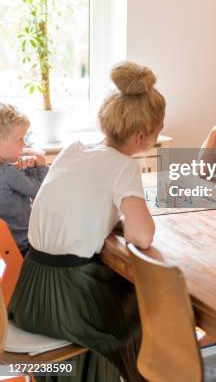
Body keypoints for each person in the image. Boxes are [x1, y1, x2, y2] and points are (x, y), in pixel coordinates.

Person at [10, 61, 165, 382]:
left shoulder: (72, 149)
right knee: (146, 317)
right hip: (69, 300)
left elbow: (64, 207)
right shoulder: (123, 166)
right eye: (159, 130)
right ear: (141, 136)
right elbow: (143, 236)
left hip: (29, 292)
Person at [0, 103, 48, 255]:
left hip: (5, 252)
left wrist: (26, 168)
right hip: (24, 248)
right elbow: (42, 193)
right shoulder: (7, 173)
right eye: (20, 138)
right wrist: (40, 162)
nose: (24, 143)